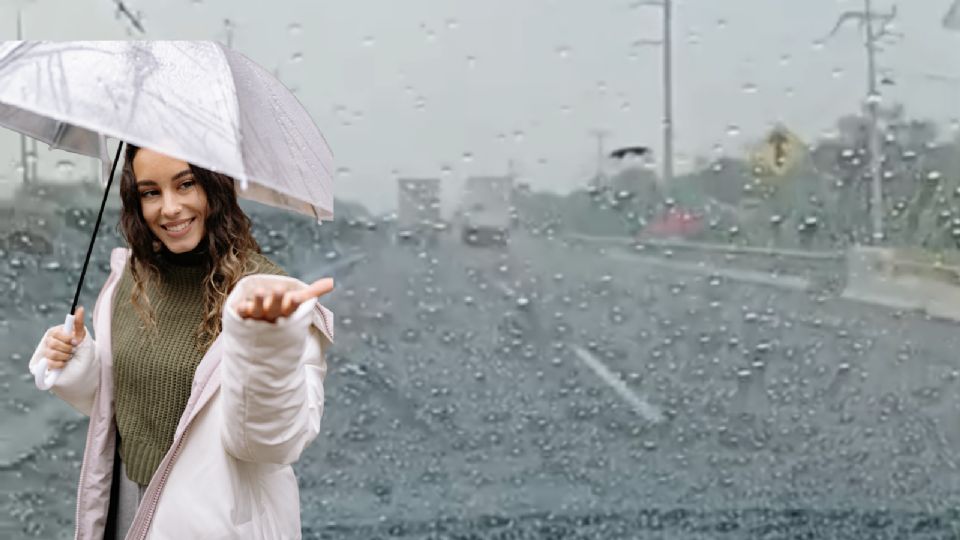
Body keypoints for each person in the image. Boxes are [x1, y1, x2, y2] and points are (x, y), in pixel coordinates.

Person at [27, 143, 335, 539]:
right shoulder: (131, 278)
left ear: (215, 187)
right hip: (125, 508)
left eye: (185, 184)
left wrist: (266, 343)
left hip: (212, 524)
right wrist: (77, 362)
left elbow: (269, 443)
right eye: (151, 192)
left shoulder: (266, 298)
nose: (169, 208)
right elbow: (132, 402)